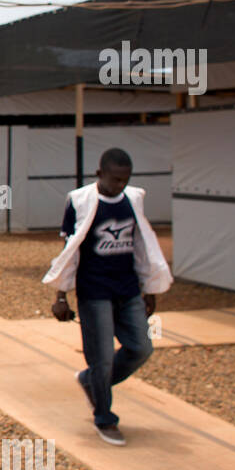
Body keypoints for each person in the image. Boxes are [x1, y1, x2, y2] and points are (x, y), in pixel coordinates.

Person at [43, 147, 172, 446]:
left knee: (141, 348)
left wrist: (150, 289)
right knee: (100, 358)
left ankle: (93, 383)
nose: (120, 186)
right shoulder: (80, 201)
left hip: (127, 289)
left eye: (125, 180)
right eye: (115, 180)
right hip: (94, 291)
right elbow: (69, 251)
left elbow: (142, 245)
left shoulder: (134, 199)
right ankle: (104, 417)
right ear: (100, 174)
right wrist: (60, 295)